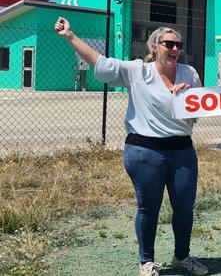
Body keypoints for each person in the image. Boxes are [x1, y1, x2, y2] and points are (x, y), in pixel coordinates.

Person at [54, 17, 208, 276]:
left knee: (184, 208)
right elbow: (99, 62)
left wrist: (185, 100)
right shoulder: (138, 71)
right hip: (145, 150)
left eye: (178, 45)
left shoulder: (189, 73)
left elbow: (199, 112)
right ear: (154, 47)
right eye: (168, 43)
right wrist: (70, 35)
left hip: (182, 151)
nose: (174, 49)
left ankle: (182, 257)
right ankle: (146, 262)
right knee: (149, 207)